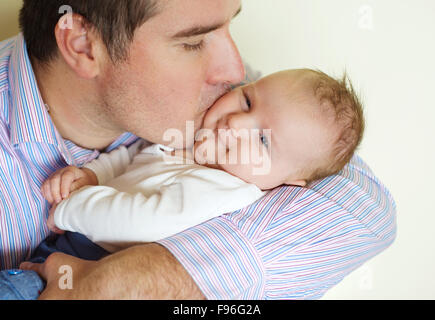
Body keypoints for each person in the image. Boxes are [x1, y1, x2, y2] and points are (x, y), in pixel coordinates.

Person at [0, 0, 396, 299]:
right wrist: (93, 179)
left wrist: (142, 279)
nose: (236, 72)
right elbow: (136, 162)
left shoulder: (225, 117)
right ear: (83, 45)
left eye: (229, 25)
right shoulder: (229, 112)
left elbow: (366, 209)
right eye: (193, 42)